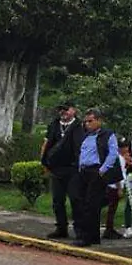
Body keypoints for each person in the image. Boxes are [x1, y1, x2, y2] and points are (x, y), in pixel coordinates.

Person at [72, 109, 121, 248]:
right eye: (86, 121)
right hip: (84, 171)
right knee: (81, 201)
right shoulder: (86, 136)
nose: (87, 124)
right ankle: (91, 235)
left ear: (99, 120)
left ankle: (86, 237)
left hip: (96, 171)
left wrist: (102, 170)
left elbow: (113, 154)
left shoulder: (108, 135)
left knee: (91, 204)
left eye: (90, 121)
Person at [41, 102, 85, 239]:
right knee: (57, 200)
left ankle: (79, 229)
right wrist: (43, 161)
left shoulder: (79, 126)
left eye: (66, 109)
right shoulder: (54, 125)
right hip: (57, 168)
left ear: (74, 110)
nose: (63, 112)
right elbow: (47, 142)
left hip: (73, 168)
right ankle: (61, 228)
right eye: (60, 110)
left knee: (75, 199)